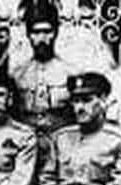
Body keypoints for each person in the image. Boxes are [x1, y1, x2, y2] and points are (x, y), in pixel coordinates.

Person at [12, 0, 78, 135]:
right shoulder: (17, 75)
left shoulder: (70, 73)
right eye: (35, 32)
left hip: (60, 140)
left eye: (47, 32)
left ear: (56, 33)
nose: (42, 38)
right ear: (28, 35)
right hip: (25, 141)